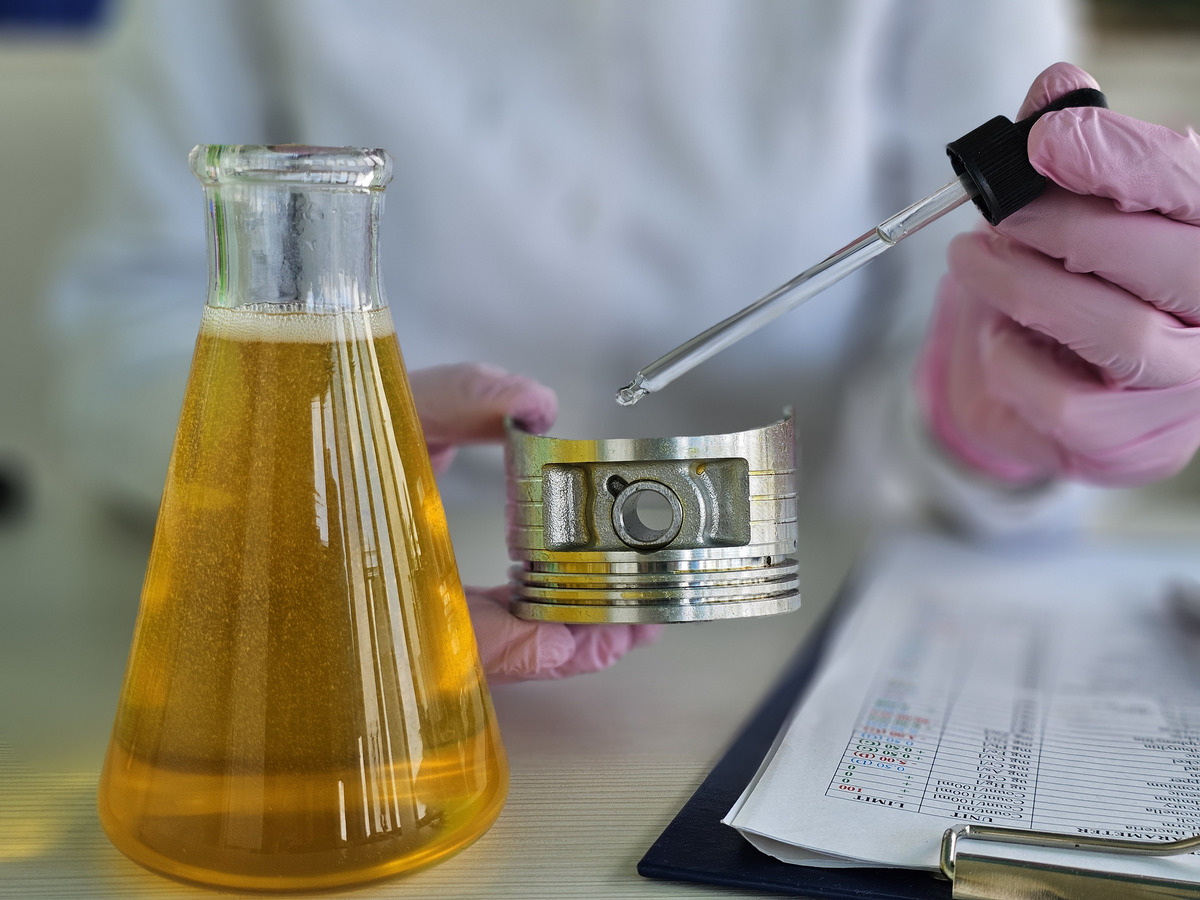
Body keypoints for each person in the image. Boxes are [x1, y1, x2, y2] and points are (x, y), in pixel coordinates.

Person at [43, 1, 1200, 680]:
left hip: (805, 634)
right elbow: (117, 326)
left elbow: (963, 288)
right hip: (366, 615)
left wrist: (993, 412)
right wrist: (321, 459)